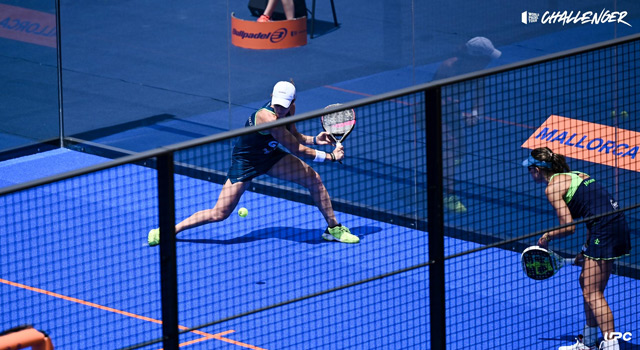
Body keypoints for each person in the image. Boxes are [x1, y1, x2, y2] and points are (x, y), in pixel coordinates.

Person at [148, 81, 359, 246]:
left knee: (313, 179)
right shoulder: (268, 118)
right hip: (246, 162)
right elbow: (296, 149)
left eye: (285, 106)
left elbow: (294, 136)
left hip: (270, 157)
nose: (280, 109)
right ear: (271, 99)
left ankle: (333, 228)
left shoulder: (288, 111)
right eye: (277, 105)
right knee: (219, 213)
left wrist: (315, 139)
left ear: (293, 102)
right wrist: (331, 157)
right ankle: (168, 231)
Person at [523, 147, 631, 350]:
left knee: (593, 293)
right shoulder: (576, 175)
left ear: (537, 169)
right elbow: (594, 213)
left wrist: (547, 237)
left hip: (605, 231)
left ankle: (611, 345)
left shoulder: (553, 188)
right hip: (615, 225)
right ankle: (589, 341)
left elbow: (569, 227)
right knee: (585, 282)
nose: (530, 173)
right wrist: (584, 249)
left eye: (530, 169)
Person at [433, 37, 502, 213]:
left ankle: (442, 176)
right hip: (434, 111)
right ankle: (447, 194)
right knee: (450, 149)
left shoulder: (477, 71)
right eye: (486, 58)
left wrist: (474, 114)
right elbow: (433, 94)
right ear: (476, 57)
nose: (488, 62)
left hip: (453, 113)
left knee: (459, 152)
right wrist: (450, 105)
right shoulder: (448, 67)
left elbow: (479, 95)